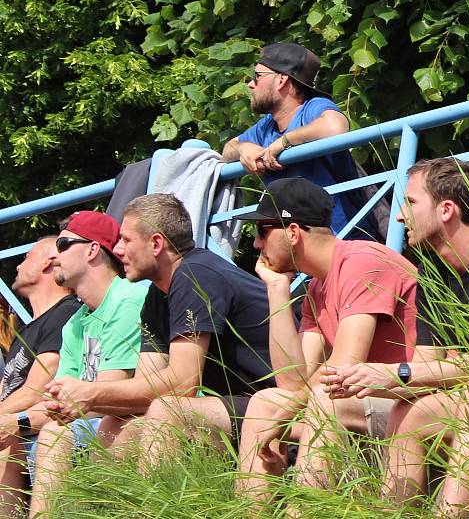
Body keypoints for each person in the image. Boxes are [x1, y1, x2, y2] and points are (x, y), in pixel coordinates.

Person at [320, 159, 469, 516]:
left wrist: (397, 374)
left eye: (410, 203)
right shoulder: (436, 273)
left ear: (446, 209)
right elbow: (427, 366)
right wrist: (366, 380)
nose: (399, 217)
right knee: (366, 404)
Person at [45, 194, 274, 470]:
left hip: (274, 402)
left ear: (156, 243)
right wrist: (81, 399)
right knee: (115, 425)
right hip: (233, 405)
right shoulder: (157, 294)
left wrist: (91, 394)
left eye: (126, 240)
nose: (116, 250)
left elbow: (182, 384)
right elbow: (147, 384)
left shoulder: (196, 275)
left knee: (166, 411)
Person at [232, 177, 420, 508]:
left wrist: (285, 415)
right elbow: (291, 380)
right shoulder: (317, 288)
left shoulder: (363, 262)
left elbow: (341, 371)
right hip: (364, 401)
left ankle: (301, 511)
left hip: (407, 396)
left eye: (263, 232)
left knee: (324, 399)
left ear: (292, 232)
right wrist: (277, 289)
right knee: (265, 402)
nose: (257, 245)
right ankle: (250, 512)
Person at [27, 212, 145, 516]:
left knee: (54, 436)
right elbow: (57, 401)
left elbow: (109, 393)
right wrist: (18, 423)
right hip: (95, 417)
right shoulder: (75, 323)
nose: (53, 254)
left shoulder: (128, 299)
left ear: (93, 250)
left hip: (133, 415)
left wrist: (20, 421)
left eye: (63, 244)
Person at [221, 42, 369, 236]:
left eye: (257, 76)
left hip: (344, 241)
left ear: (282, 79)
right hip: (299, 246)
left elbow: (336, 127)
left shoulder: (313, 108)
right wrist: (244, 148)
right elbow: (227, 149)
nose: (250, 84)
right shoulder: (267, 125)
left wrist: (285, 141)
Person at [0, 238, 81, 514]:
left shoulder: (66, 314)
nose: (19, 265)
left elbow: (35, 390)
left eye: (27, 256)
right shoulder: (25, 331)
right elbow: (6, 392)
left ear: (47, 261)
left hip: (36, 422)